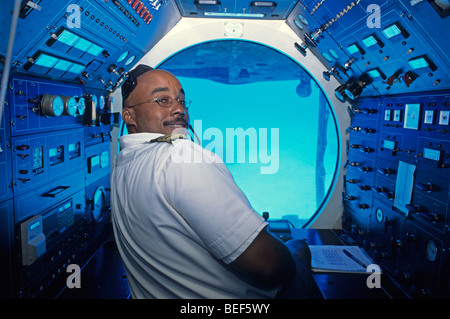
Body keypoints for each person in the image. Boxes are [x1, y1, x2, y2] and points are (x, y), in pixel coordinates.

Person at [111, 64, 315, 299]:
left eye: (180, 100)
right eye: (162, 100)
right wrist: (291, 255)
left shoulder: (124, 163)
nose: (178, 109)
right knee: (298, 250)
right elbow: (268, 265)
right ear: (129, 115)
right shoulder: (182, 156)